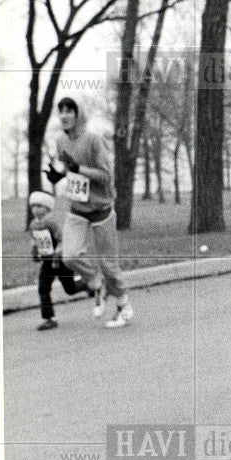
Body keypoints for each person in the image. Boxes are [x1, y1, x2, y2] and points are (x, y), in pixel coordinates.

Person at [44, 97, 133, 328]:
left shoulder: (93, 140)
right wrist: (59, 175)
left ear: (78, 114)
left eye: (69, 111)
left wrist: (78, 169)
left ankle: (124, 306)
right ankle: (97, 284)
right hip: (77, 208)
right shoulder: (61, 141)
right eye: (61, 111)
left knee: (109, 264)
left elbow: (105, 175)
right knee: (70, 256)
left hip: (101, 208)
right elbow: (68, 169)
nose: (64, 115)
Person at [28, 190, 88, 330]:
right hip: (47, 262)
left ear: (48, 207)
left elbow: (61, 240)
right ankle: (49, 318)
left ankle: (87, 284)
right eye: (33, 206)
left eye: (39, 206)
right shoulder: (33, 224)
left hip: (60, 260)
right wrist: (34, 251)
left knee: (70, 289)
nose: (36, 210)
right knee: (43, 288)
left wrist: (57, 255)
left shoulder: (52, 222)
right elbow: (35, 240)